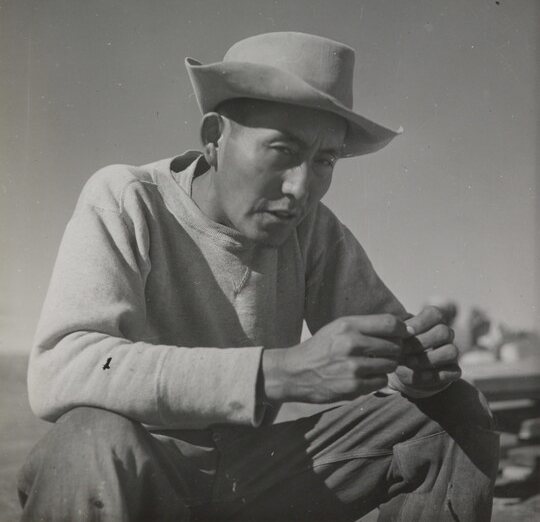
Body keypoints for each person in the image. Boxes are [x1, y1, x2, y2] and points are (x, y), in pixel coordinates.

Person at [18, 32, 499, 521]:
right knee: (89, 436)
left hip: (253, 481)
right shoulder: (129, 198)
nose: (301, 188)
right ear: (214, 138)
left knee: (454, 412)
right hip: (136, 480)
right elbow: (63, 368)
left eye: (325, 160)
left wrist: (417, 370)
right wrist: (276, 372)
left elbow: (395, 358)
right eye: (283, 150)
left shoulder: (313, 231)